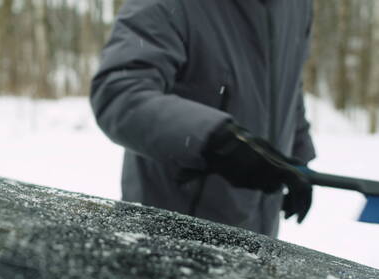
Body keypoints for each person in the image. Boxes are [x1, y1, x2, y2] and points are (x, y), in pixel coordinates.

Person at [90, 0, 316, 237]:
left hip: (258, 236)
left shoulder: (296, 6)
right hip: (167, 235)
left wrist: (299, 159)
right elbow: (119, 93)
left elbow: (287, 84)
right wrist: (217, 141)